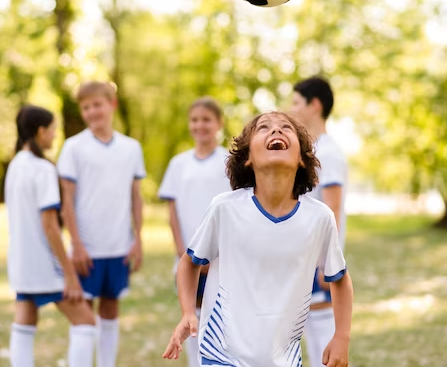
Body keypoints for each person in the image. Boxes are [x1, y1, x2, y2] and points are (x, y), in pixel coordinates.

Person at [163, 111, 353, 367]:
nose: (276, 131)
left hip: (283, 359)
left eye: (286, 128)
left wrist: (341, 336)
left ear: (301, 159)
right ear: (248, 159)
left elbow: (339, 279)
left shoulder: (319, 218)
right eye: (264, 128)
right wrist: (188, 312)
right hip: (222, 355)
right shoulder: (225, 208)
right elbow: (189, 263)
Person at [57, 81, 146, 367]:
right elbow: (66, 200)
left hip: (119, 245)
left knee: (111, 309)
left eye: (97, 105)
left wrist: (139, 239)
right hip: (87, 248)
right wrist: (77, 244)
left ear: (112, 105)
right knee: (84, 317)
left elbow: (136, 196)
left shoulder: (131, 148)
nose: (92, 112)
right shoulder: (73, 147)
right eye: (86, 108)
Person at [5, 105, 95, 367]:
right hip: (44, 264)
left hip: (21, 263)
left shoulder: (14, 166)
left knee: (25, 322)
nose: (55, 135)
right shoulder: (42, 168)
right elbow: (50, 225)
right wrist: (68, 274)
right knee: (86, 322)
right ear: (40, 131)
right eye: (53, 130)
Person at [158, 97, 232, 367]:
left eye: (206, 119)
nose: (200, 125)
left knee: (224, 320)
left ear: (218, 123)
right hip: (191, 257)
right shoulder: (179, 164)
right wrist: (185, 254)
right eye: (195, 120)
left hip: (222, 259)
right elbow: (173, 212)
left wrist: (215, 259)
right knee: (192, 319)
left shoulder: (229, 161)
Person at [291, 76, 348, 367]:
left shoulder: (328, 152)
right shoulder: (309, 150)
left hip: (320, 262)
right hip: (303, 258)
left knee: (323, 345)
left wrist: (327, 261)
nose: (291, 109)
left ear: (315, 106)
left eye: (296, 102)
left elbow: (333, 207)